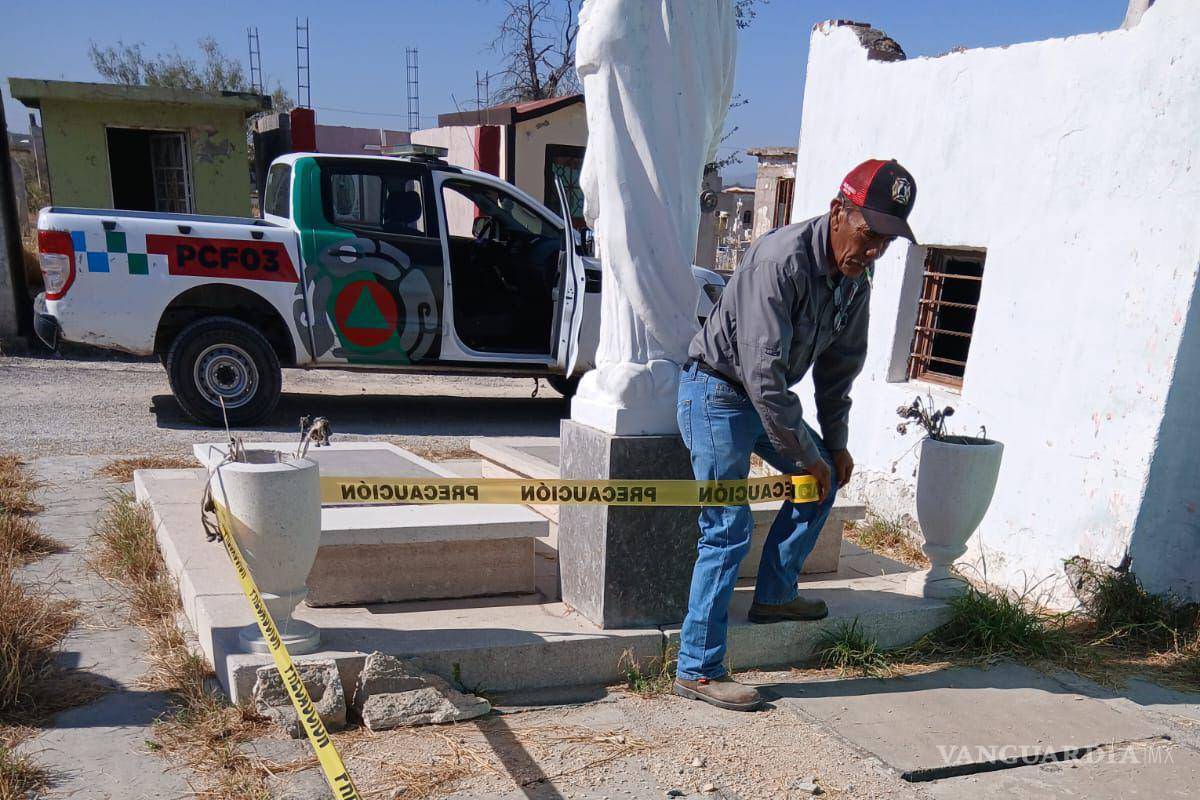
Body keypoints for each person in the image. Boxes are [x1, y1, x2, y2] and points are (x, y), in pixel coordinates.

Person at [673, 159, 919, 711]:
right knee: (726, 526)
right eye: (868, 233)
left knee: (823, 480)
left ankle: (776, 596)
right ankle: (698, 668)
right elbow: (762, 374)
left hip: (765, 398)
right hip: (715, 392)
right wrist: (805, 454)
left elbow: (840, 368)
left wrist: (833, 444)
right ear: (839, 212)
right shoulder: (778, 261)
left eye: (885, 240)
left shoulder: (857, 279)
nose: (874, 249)